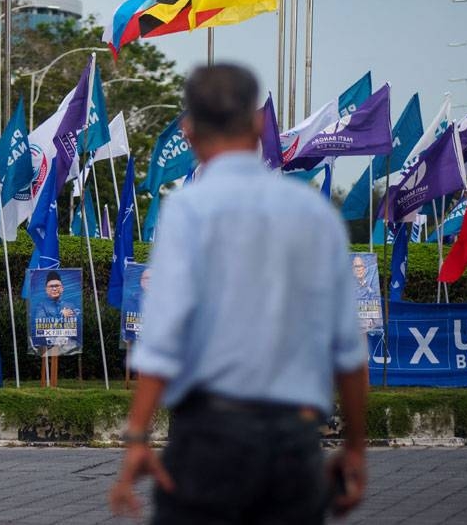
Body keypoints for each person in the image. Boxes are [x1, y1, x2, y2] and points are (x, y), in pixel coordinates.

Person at [109, 64, 368, 524]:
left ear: (187, 132)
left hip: (209, 439)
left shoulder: (187, 210)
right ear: (257, 125)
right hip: (297, 442)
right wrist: (354, 450)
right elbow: (348, 351)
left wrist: (137, 438)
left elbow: (165, 335)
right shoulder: (315, 213)